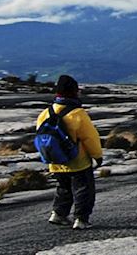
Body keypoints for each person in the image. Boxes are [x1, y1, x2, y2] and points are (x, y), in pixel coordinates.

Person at [36, 75, 103, 229]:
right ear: (74, 91)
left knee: (63, 187)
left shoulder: (46, 113)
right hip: (77, 160)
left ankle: (58, 214)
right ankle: (81, 219)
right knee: (83, 189)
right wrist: (97, 156)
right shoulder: (77, 113)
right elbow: (90, 137)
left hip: (55, 160)